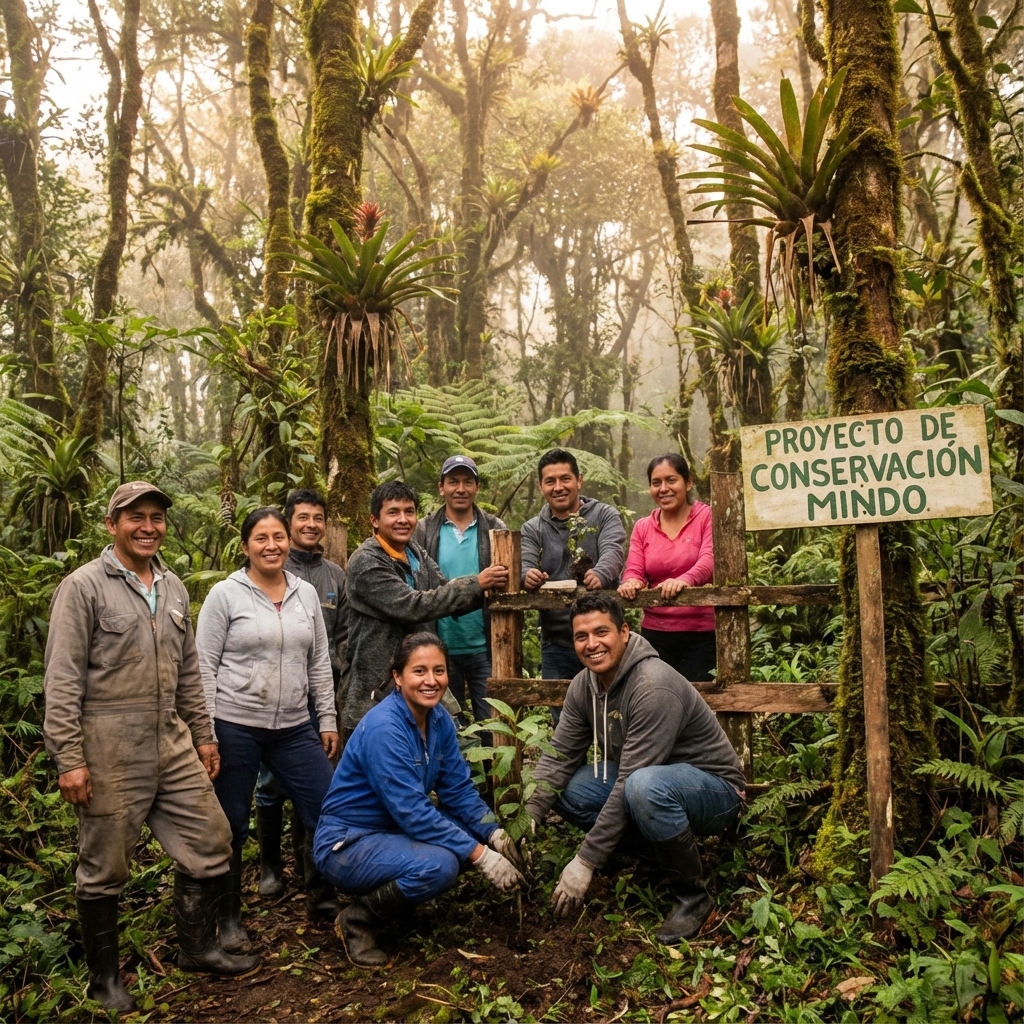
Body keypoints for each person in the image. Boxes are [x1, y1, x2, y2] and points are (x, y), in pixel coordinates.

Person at [43, 481, 258, 1013]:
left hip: (170, 737)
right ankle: (104, 981)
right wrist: (69, 757)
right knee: (105, 864)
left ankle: (198, 948)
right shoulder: (84, 587)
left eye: (157, 517)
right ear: (111, 523)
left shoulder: (175, 587)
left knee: (212, 839)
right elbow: (63, 677)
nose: (148, 526)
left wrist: (203, 735)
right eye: (135, 516)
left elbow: (190, 673)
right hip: (108, 743)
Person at [524, 592, 746, 943]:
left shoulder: (652, 685)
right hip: (650, 782)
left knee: (644, 786)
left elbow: (631, 777)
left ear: (624, 632)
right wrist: (527, 818)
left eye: (601, 633)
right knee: (566, 787)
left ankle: (693, 896)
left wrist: (585, 862)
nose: (592, 644)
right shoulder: (584, 686)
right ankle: (656, 857)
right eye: (582, 636)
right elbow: (560, 754)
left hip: (714, 790)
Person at [314, 633, 524, 966]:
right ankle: (357, 920)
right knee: (442, 864)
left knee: (469, 836)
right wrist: (482, 857)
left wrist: (494, 833)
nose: (431, 681)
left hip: (392, 832)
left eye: (439, 671)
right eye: (419, 671)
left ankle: (398, 905)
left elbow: (457, 789)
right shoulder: (385, 728)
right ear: (398, 677)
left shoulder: (438, 719)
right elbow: (413, 813)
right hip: (350, 843)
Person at [196, 506, 340, 952]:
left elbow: (318, 660)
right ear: (245, 547)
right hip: (235, 723)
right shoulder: (226, 595)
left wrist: (327, 717)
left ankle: (322, 898)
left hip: (295, 724)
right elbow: (202, 665)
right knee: (232, 822)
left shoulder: (305, 594)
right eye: (261, 538)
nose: (272, 545)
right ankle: (229, 916)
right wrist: (206, 732)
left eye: (278, 537)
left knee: (327, 804)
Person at [342, 480, 509, 734]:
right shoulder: (366, 561)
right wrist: (477, 583)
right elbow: (413, 605)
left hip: (417, 681)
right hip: (376, 689)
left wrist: (489, 589)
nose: (403, 519)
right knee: (382, 758)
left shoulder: (414, 551)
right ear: (374, 520)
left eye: (409, 512)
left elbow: (442, 589)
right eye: (393, 512)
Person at [254, 488, 349, 899]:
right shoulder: (272, 566)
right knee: (272, 783)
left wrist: (335, 672)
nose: (311, 524)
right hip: (276, 695)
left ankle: (317, 875)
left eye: (318, 518)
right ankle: (269, 866)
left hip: (323, 694)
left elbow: (345, 633)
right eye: (303, 518)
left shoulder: (334, 575)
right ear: (289, 524)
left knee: (318, 782)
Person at [411, 455, 506, 724]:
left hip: (484, 646)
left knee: (492, 724)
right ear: (441, 487)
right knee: (446, 725)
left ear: (477, 487)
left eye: (467, 482)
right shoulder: (423, 530)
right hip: (437, 646)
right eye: (453, 482)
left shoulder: (495, 529)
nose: (460, 489)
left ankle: (490, 767)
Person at [521, 448, 625, 682]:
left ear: (579, 481)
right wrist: (528, 575)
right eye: (550, 481)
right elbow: (524, 564)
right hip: (556, 642)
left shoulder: (604, 515)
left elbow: (614, 550)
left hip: (603, 639)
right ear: (541, 486)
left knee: (611, 710)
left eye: (565, 479)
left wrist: (601, 573)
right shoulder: (532, 528)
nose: (558, 487)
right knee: (563, 716)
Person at [617, 454, 716, 681]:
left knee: (696, 702)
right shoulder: (643, 527)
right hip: (655, 634)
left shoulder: (705, 516)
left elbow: (709, 559)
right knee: (658, 701)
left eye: (671, 480)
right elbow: (634, 568)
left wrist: (685, 580)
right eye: (656, 482)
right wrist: (631, 581)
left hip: (701, 633)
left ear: (688, 482)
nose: (664, 489)